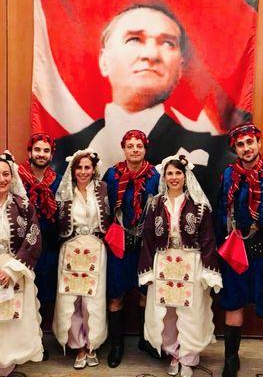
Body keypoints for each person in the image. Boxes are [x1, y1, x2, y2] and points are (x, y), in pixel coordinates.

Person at [53, 4, 233, 209]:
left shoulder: (215, 155)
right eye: (134, 39)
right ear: (104, 60)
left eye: (167, 43)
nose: (151, 54)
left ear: (180, 68)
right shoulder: (60, 153)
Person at [138, 155, 222, 377]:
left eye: (178, 173)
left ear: (185, 176)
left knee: (191, 311)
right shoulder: (155, 203)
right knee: (167, 313)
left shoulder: (199, 205)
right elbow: (147, 238)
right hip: (163, 262)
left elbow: (208, 240)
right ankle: (174, 353)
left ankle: (188, 357)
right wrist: (146, 270)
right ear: (164, 177)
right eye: (169, 173)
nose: (174, 177)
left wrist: (209, 270)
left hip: (190, 261)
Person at [216, 123, 263, 377]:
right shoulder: (229, 175)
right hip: (236, 253)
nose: (246, 148)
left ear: (258, 143)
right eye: (240, 145)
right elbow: (222, 212)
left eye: (250, 142)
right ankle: (231, 360)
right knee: (232, 306)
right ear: (235, 148)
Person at [103, 129, 160, 368]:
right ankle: (117, 345)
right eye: (130, 145)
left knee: (146, 294)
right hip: (119, 245)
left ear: (145, 149)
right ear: (124, 148)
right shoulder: (112, 174)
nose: (135, 149)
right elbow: (103, 208)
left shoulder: (156, 175)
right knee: (116, 294)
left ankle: (145, 340)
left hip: (145, 246)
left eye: (139, 145)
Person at [0, 151, 43, 376]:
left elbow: (34, 238)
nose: (1, 179)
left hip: (15, 270)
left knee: (12, 321)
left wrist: (11, 270)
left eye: (5, 174)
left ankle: (4, 369)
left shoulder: (24, 206)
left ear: (12, 176)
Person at [52, 148, 110, 370]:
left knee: (92, 300)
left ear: (93, 169)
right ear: (73, 170)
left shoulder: (103, 189)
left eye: (87, 167)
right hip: (71, 249)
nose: (84, 172)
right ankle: (78, 346)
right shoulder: (65, 189)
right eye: (80, 168)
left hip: (96, 248)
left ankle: (93, 343)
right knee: (72, 299)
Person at [18, 133, 61, 359]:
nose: (41, 154)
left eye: (45, 151)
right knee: (23, 293)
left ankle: (39, 341)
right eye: (37, 150)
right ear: (30, 152)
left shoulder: (59, 179)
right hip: (23, 246)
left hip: (50, 246)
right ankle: (23, 342)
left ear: (51, 154)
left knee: (45, 294)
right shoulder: (17, 177)